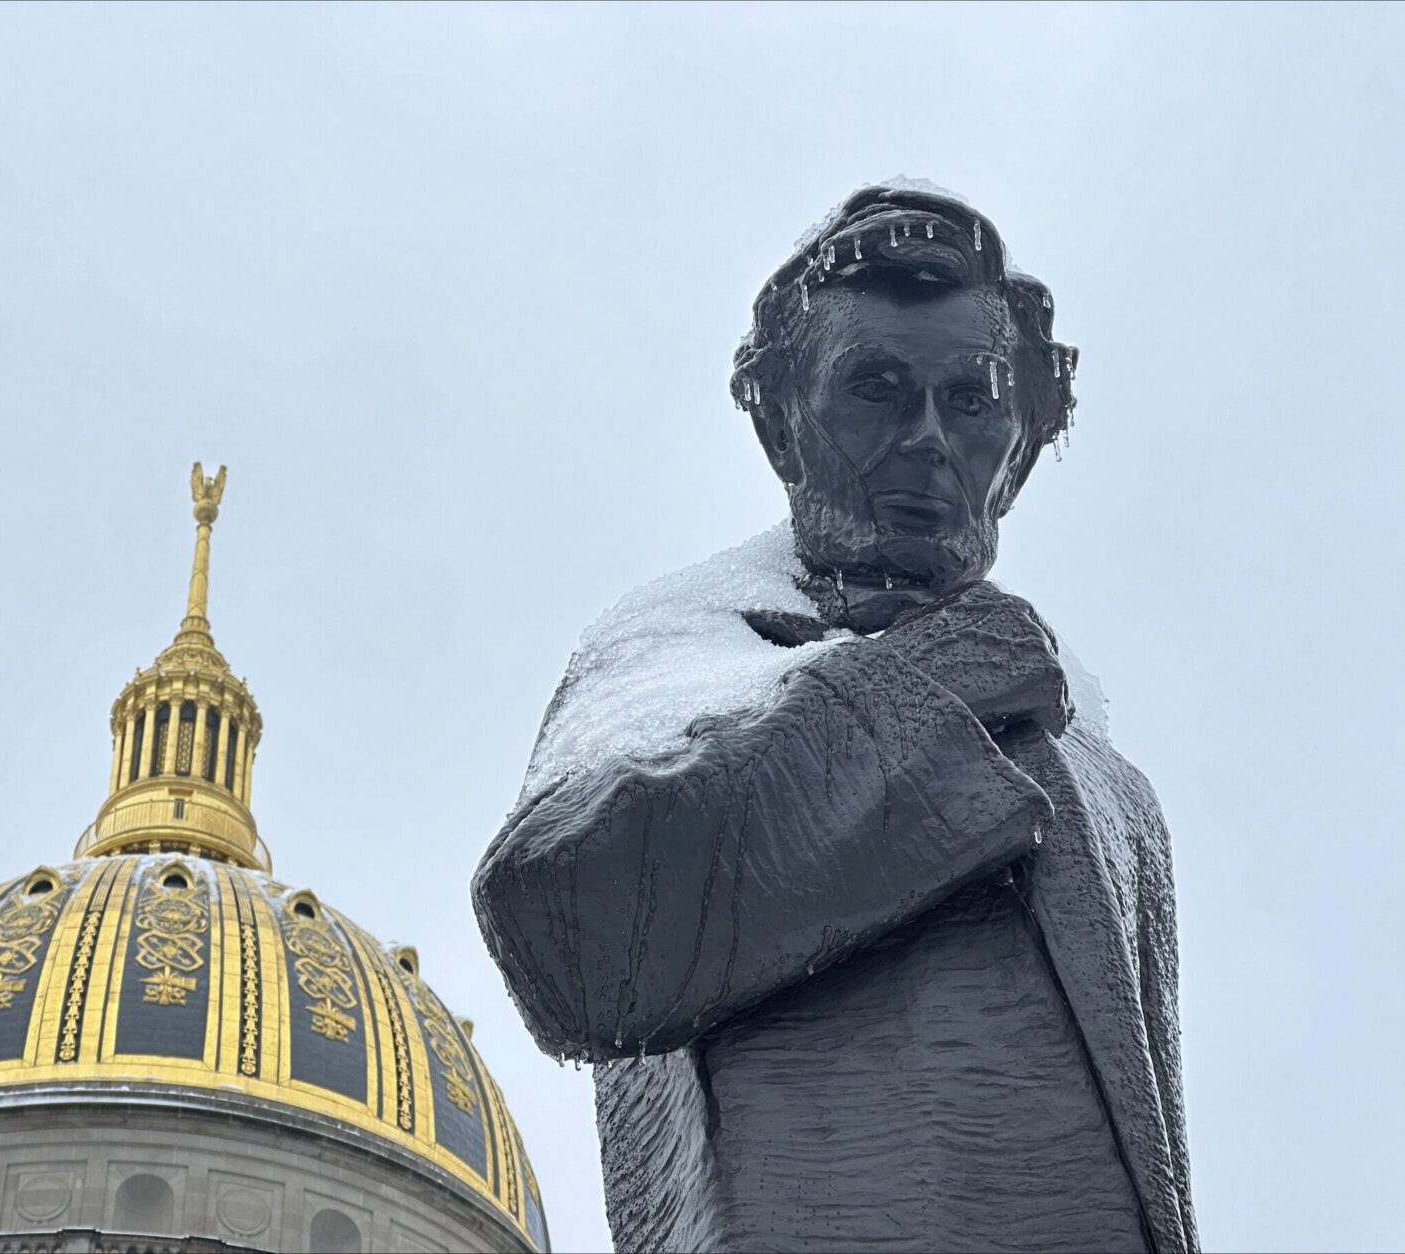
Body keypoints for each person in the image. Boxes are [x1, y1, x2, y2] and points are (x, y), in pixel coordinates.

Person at [472, 185, 1199, 1253]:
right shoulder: (692, 649)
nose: (928, 439)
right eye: (876, 391)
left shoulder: (1112, 786)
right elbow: (569, 935)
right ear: (782, 418)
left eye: (974, 399)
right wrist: (927, 690)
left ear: (1026, 443)